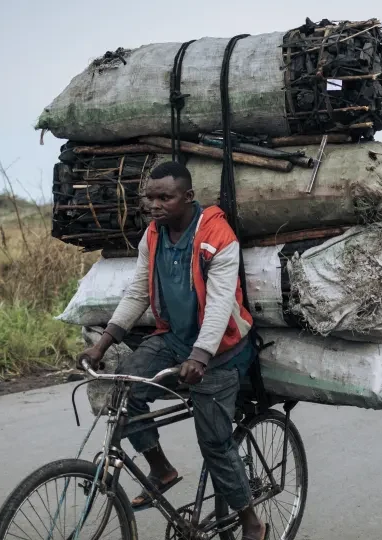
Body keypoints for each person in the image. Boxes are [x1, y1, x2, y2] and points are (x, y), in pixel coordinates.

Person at [77, 162, 267, 540]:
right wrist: (102, 344)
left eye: (165, 197)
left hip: (222, 350)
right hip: (173, 339)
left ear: (188, 197)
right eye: (150, 197)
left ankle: (251, 521)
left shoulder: (218, 236)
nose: (155, 204)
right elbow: (138, 292)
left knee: (214, 442)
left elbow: (218, 305)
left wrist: (200, 356)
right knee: (125, 390)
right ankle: (161, 469)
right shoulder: (153, 235)